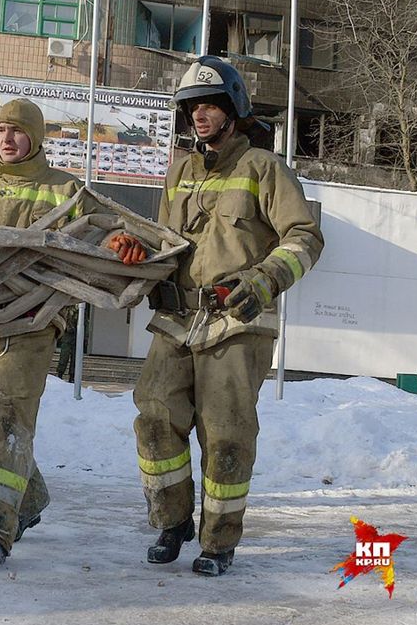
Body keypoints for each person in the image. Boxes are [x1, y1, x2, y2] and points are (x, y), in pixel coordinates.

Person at [0, 98, 145, 567]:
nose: (7, 138)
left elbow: (98, 231)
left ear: (36, 138)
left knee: (6, 419)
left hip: (34, 323)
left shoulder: (65, 190)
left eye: (17, 131)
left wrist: (118, 242)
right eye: (0, 130)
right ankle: (31, 498)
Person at [133, 56, 324, 577]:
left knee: (226, 433)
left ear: (234, 110)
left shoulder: (265, 168)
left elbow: (305, 237)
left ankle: (218, 542)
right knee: (154, 416)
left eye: (211, 105)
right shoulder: (178, 172)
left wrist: (264, 281)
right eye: (193, 106)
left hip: (237, 321)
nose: (200, 114)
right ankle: (171, 523)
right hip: (177, 320)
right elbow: (164, 243)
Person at [56, 307, 77, 382]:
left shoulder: (80, 312)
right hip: (67, 339)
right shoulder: (67, 310)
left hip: (76, 339)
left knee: (74, 360)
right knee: (64, 358)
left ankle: (72, 376)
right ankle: (60, 374)